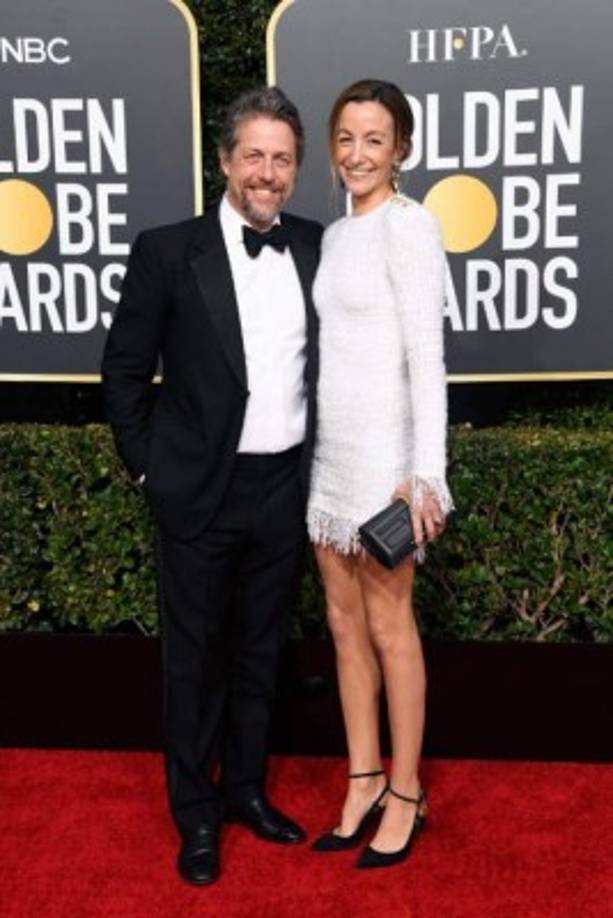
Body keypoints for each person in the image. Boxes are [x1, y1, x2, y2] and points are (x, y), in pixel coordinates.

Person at [102, 86, 323, 886]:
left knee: (260, 655)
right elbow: (123, 372)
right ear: (224, 161)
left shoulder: (314, 245)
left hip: (282, 488)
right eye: (253, 156)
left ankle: (249, 794)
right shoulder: (167, 251)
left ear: (297, 171)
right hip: (198, 491)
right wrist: (149, 468)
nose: (267, 172)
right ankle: (196, 815)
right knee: (193, 663)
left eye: (282, 159)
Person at [307, 79, 453, 869]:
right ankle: (362, 776)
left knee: (392, 628)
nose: (356, 154)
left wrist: (421, 475)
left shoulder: (410, 226)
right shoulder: (335, 235)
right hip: (330, 460)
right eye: (345, 138)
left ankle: (405, 791)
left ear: (399, 148)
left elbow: (427, 360)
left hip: (385, 464)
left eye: (373, 139)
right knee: (340, 621)